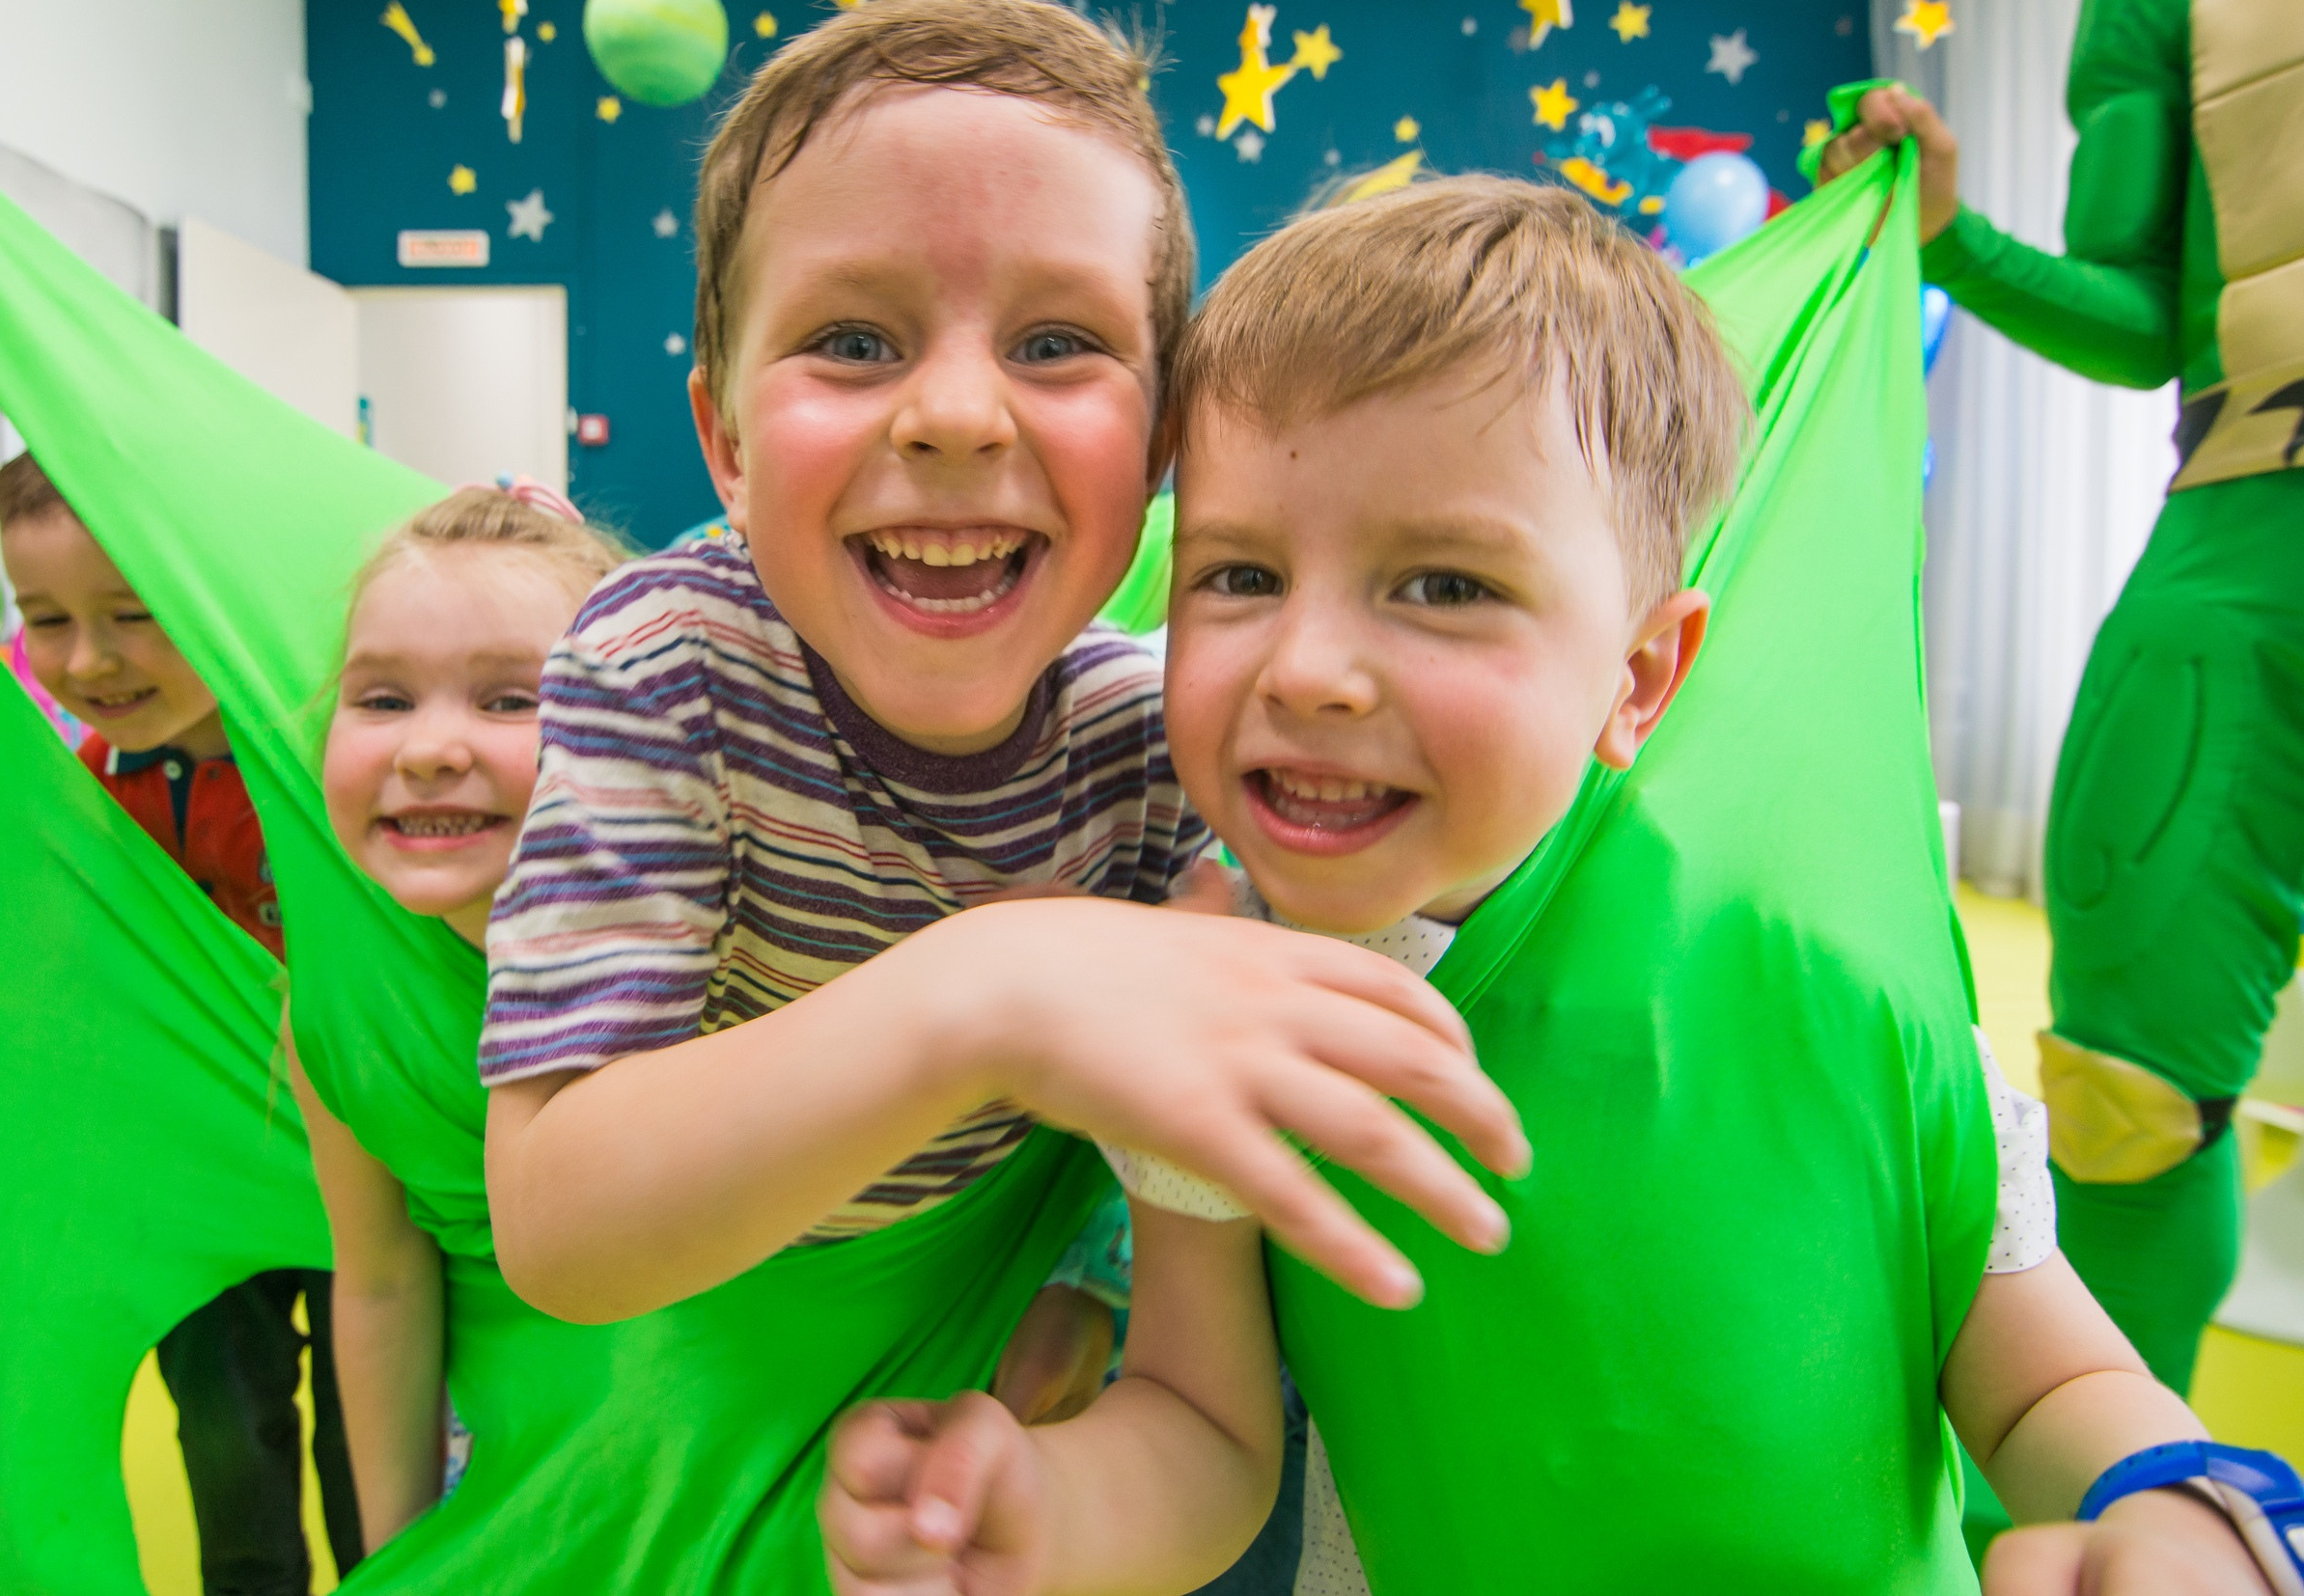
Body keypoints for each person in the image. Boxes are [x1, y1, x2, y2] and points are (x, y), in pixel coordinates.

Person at [820, 179, 2277, 1595]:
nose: (1308, 670)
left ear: (1640, 675)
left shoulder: (1832, 974)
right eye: (1240, 577)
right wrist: (1045, 1508)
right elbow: (1205, 1432)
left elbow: (2049, 1379)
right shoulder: (1211, 997)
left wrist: (2183, 1503)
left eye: (1444, 586)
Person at [481, 0, 1528, 1346]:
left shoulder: (1164, 729)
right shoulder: (662, 666)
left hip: (974, 1336)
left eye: (1055, 344)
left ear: (1161, 450)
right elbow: (560, 1229)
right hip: (701, 1337)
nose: (960, 416)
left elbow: (1193, 1101)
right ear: (727, 444)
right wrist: (990, 991)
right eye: (853, 341)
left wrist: (1088, 1297)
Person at [1814, 0, 2304, 1394]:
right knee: (2122, 1088)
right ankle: (2109, 1489)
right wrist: (1950, 237)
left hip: (2229, 576)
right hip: (2240, 560)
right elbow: (2151, 313)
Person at [0, 451, 362, 1596]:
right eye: (45, 618)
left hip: (359, 1193)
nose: (90, 659)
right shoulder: (92, 790)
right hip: (193, 1191)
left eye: (134, 614)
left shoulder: (320, 767)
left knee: (376, 1451)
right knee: (221, 1437)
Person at [291, 482, 625, 1549]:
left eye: (509, 700)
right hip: (523, 1503)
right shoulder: (346, 1011)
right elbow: (382, 1279)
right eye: (384, 699)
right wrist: (395, 1555)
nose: (429, 747)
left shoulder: (728, 964)